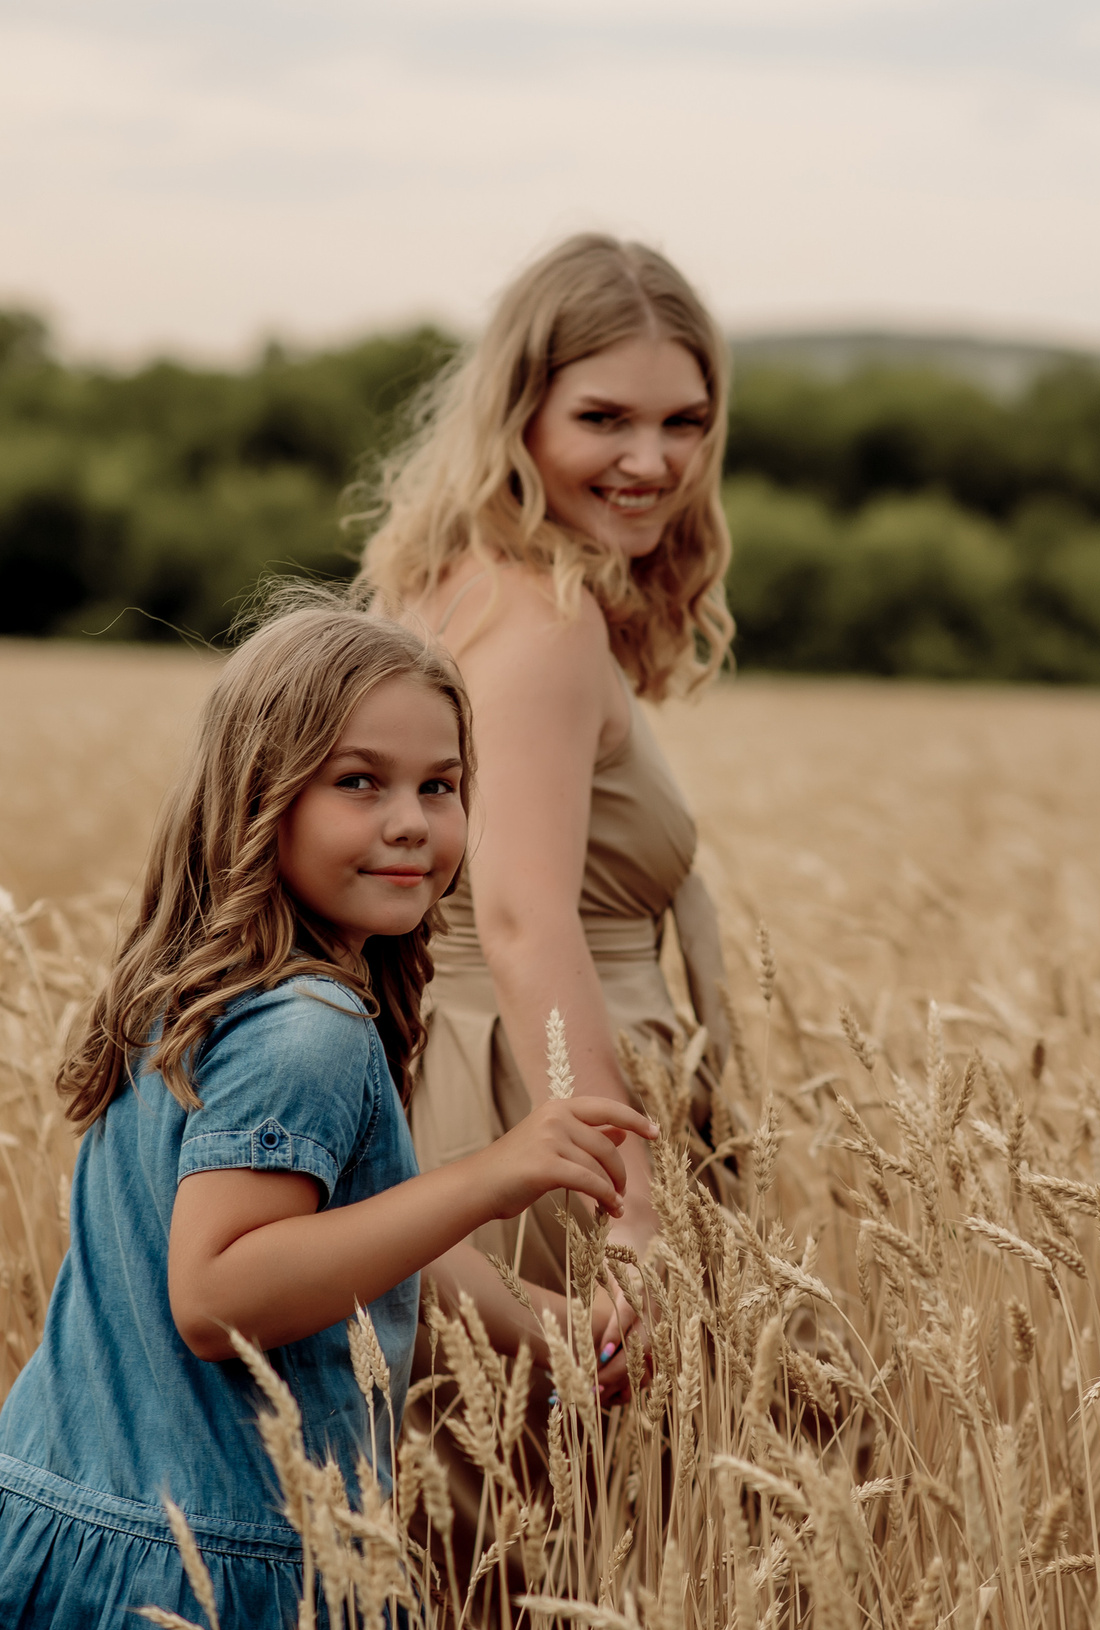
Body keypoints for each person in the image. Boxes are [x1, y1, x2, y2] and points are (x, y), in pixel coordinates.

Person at [0, 600, 657, 1630]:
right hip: (209, 1597)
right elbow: (219, 1293)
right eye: (358, 782)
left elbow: (349, 1240)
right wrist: (493, 1173)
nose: (410, 821)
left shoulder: (205, 996)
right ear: (258, 796)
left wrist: (550, 1337)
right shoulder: (308, 1029)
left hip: (71, 1533)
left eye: (440, 786)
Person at [355, 232, 736, 1397]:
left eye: (683, 422)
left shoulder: (451, 584)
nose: (651, 459)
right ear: (521, 414)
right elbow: (525, 921)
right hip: (539, 1098)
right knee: (585, 1509)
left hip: (488, 1081)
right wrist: (624, 1197)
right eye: (605, 419)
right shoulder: (545, 617)